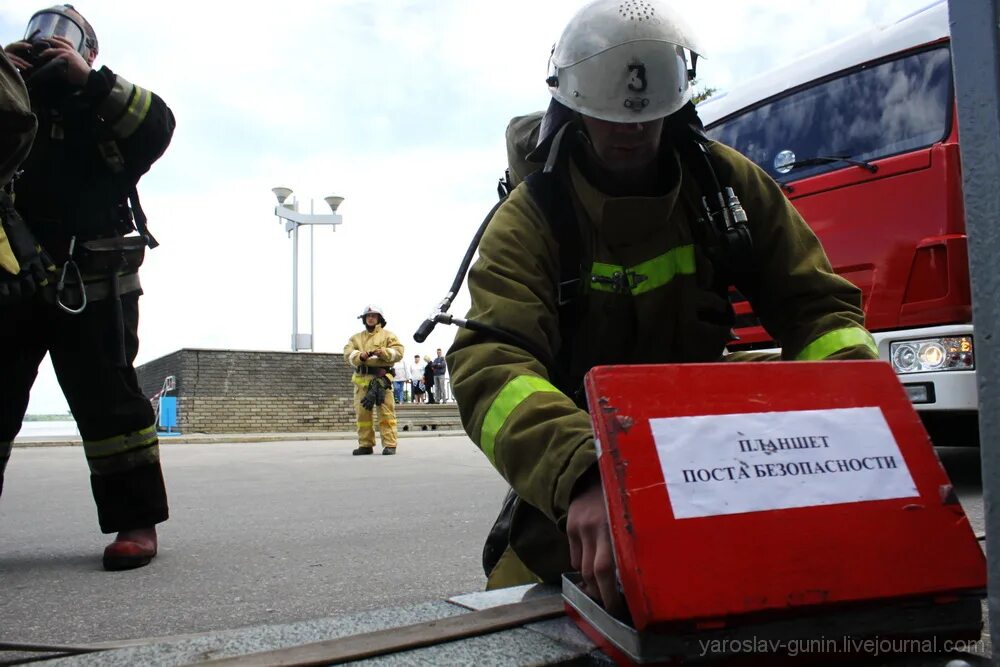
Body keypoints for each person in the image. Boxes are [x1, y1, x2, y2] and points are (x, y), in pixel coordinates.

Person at [446, 0, 879, 614]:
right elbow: (492, 361)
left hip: (714, 457)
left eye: (649, 117)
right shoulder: (533, 218)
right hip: (584, 467)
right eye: (611, 116)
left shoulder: (725, 187)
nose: (632, 130)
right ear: (571, 105)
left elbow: (818, 307)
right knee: (517, 623)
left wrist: (862, 417)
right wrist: (582, 473)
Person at [1, 5, 175, 571]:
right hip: (12, 279)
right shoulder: (9, 97)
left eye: (67, 40)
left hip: (94, 280)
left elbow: (159, 126)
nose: (49, 43)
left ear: (89, 52)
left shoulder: (103, 104)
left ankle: (135, 524)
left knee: (112, 406)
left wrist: (88, 79)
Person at [343, 304, 405, 455]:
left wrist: (384, 352)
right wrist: (359, 356)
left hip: (381, 380)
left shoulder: (388, 335)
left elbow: (399, 352)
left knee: (386, 413)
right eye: (368, 316)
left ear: (379, 319)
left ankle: (390, 444)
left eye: (374, 316)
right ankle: (365, 444)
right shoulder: (356, 338)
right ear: (364, 319)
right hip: (361, 382)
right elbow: (347, 354)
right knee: (362, 415)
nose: (370, 318)